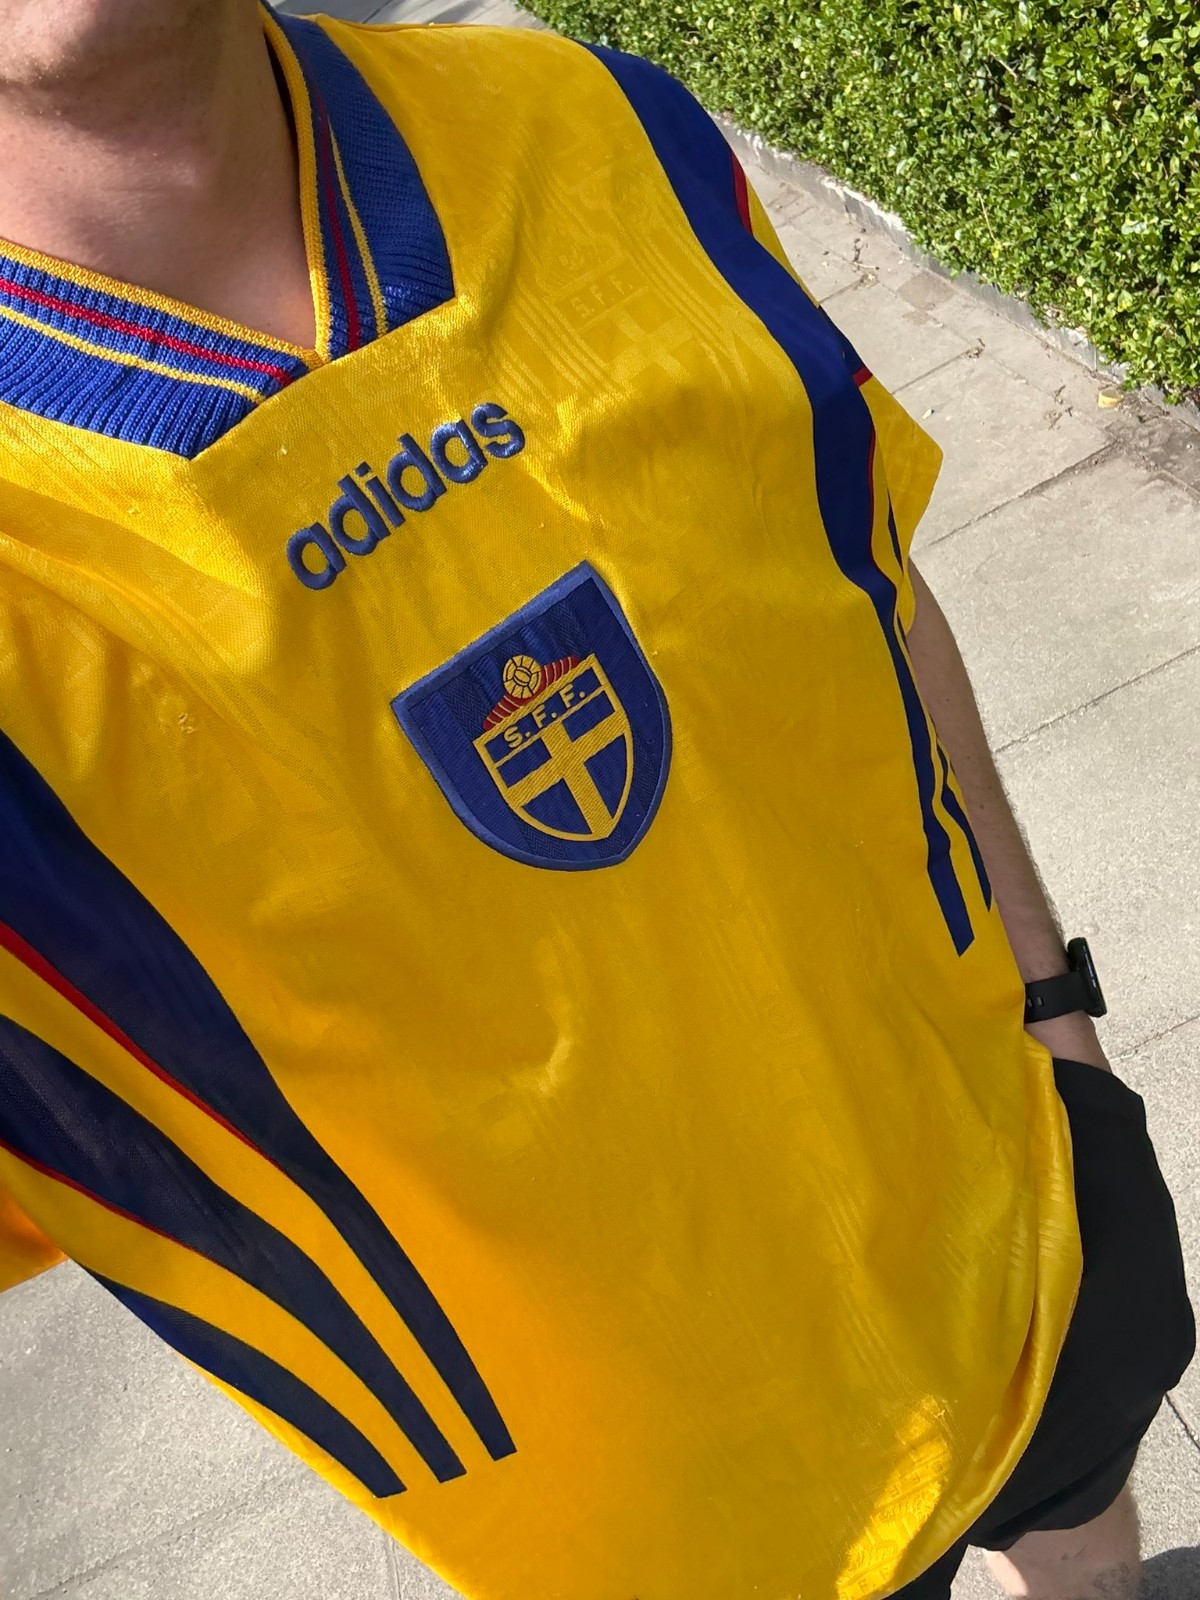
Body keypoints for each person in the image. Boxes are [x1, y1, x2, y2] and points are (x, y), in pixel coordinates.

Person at [0, 2, 1190, 1596]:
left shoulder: (593, 120)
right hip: (676, 1530)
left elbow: (868, 578)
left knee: (1091, 1539)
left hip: (1016, 1212)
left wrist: (1056, 1010)